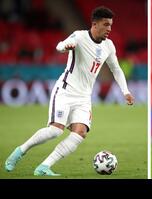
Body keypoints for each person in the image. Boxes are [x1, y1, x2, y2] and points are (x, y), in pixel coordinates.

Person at [4, 6, 134, 176]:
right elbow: (59, 46)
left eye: (110, 25)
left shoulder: (109, 46)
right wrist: (66, 46)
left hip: (84, 98)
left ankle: (44, 167)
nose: (109, 29)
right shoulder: (79, 36)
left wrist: (125, 91)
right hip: (65, 91)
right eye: (106, 24)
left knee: (80, 132)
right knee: (55, 131)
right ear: (95, 24)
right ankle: (20, 151)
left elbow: (116, 69)